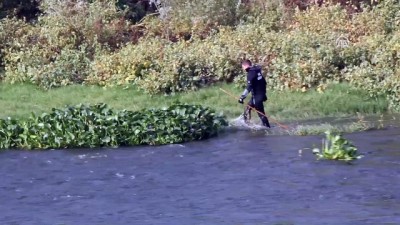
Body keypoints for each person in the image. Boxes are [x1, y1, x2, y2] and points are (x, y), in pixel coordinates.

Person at [238, 59, 271, 128]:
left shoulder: (250, 74)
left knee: (261, 113)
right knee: (248, 107)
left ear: (245, 66)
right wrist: (264, 94)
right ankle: (246, 124)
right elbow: (264, 82)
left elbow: (249, 87)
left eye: (242, 67)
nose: (243, 69)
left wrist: (242, 97)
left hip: (257, 97)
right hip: (258, 95)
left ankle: (267, 128)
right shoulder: (257, 70)